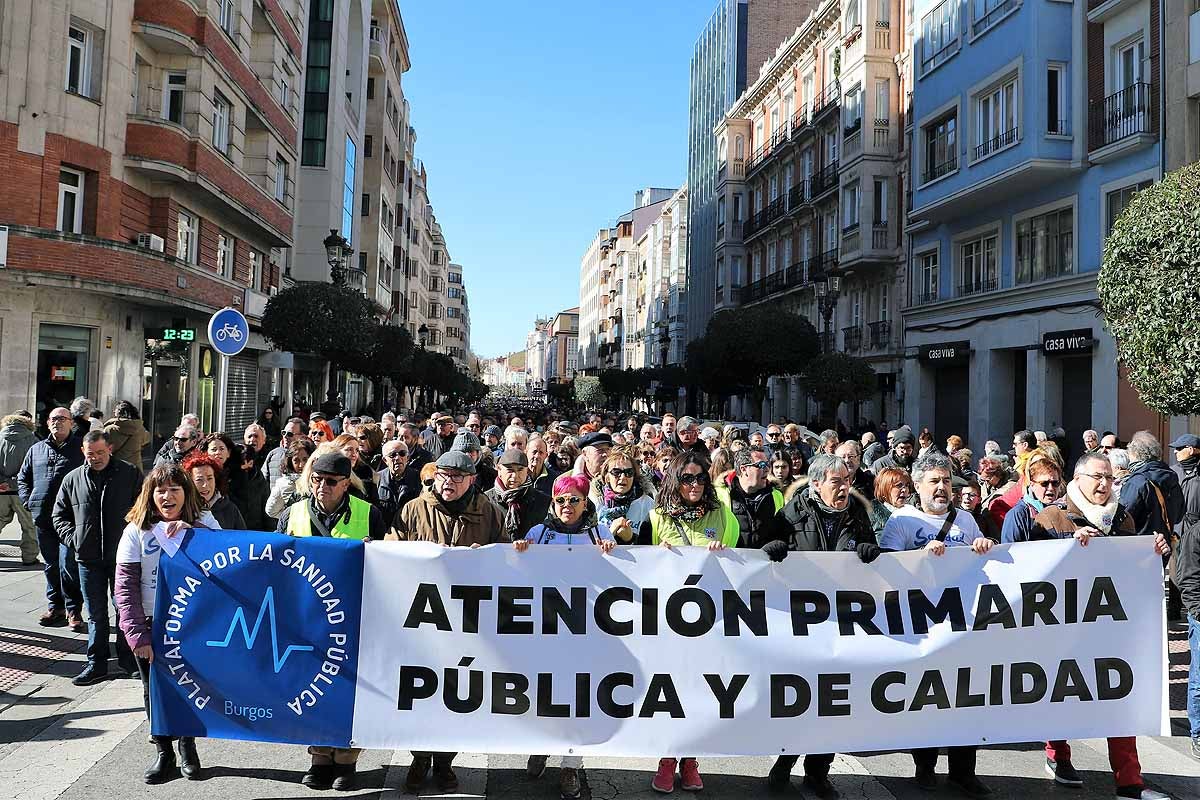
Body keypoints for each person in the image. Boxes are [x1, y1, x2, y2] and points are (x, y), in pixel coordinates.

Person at [1023, 453, 1172, 800]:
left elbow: (1132, 567)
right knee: (1061, 693)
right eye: (1097, 477)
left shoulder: (1122, 517)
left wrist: (1154, 552)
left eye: (1110, 478)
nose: (1105, 484)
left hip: (1109, 629)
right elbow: (1030, 570)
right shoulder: (1053, 516)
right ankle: (1057, 754)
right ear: (1078, 478)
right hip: (1062, 628)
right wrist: (1068, 547)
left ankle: (1130, 783)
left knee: (1118, 699)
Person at [762, 453, 878, 797]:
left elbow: (871, 553)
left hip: (841, 622)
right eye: (836, 482)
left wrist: (872, 550)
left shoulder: (857, 514)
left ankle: (818, 771)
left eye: (847, 481)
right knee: (800, 700)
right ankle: (784, 763)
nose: (844, 488)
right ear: (816, 484)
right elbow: (761, 557)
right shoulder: (792, 513)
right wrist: (773, 548)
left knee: (832, 702)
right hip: (802, 622)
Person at [392, 450, 507, 793]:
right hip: (422, 621)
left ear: (472, 480)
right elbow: (392, 552)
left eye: (457, 477)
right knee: (420, 691)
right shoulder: (414, 509)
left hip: (468, 623)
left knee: (457, 693)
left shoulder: (490, 512)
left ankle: (444, 762)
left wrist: (484, 560)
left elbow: (506, 561)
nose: (448, 482)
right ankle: (419, 757)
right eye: (443, 475)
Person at [879, 453, 993, 796]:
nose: (942, 488)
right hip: (920, 627)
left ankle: (963, 770)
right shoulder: (901, 521)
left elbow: (987, 568)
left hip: (962, 626)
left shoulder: (967, 521)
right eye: (934, 482)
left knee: (965, 698)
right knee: (926, 698)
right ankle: (924, 766)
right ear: (917, 486)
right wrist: (918, 557)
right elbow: (885, 568)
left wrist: (985, 547)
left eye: (946, 481)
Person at [275, 451, 383, 790]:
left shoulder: (369, 515)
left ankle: (346, 759)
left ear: (345, 484)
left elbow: (391, 561)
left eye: (331, 481)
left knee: (349, 689)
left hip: (353, 617)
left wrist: (374, 551)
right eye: (317, 479)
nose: (322, 486)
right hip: (306, 618)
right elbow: (274, 562)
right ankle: (319, 756)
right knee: (310, 687)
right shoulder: (292, 514)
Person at [114, 463, 220, 783]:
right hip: (150, 623)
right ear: (151, 494)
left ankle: (188, 745)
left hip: (192, 623)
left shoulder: (204, 522)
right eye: (160, 489)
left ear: (185, 493)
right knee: (155, 691)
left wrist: (192, 532)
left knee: (190, 686)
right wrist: (137, 636)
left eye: (175, 488)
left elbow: (227, 557)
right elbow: (125, 587)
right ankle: (164, 751)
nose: (167, 495)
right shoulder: (136, 530)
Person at [645, 451, 730, 794]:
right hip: (666, 621)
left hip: (706, 620)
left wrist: (722, 551)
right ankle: (667, 759)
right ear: (675, 480)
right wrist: (656, 553)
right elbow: (637, 566)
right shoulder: (656, 517)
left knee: (697, 692)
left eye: (699, 478)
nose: (694, 485)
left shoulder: (720, 514)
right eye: (686, 478)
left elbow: (738, 559)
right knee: (668, 693)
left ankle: (691, 760)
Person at [51, 431, 141, 685]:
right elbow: (59, 516)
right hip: (88, 559)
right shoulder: (73, 479)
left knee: (124, 610)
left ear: (110, 448)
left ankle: (128, 660)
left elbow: (143, 509)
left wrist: (132, 540)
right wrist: (75, 539)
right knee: (96, 614)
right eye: (91, 454)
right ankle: (96, 664)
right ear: (83, 452)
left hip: (123, 557)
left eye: (101, 453)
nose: (96, 458)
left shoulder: (129, 473)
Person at [18, 406, 85, 629]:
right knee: (50, 564)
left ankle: (74, 610)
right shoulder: (36, 449)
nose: (57, 422)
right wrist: (29, 500)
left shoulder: (81, 449)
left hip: (70, 518)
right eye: (53, 419)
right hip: (43, 516)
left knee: (68, 564)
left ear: (71, 423)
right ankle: (55, 606)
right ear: (47, 424)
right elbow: (23, 478)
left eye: (62, 419)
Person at [1121, 431, 1185, 620]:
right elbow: (1180, 513)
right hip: (1164, 544)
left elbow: (1125, 517)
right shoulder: (1172, 476)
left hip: (1138, 546)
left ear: (1136, 454)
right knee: (1152, 594)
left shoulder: (1138, 480)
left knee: (1133, 598)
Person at [1174, 436, 1200, 760]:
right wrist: (1196, 608)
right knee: (1198, 676)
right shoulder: (1195, 533)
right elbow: (1188, 576)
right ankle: (1197, 732)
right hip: (1199, 606)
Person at [715, 448, 785, 548]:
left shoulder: (776, 495)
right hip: (730, 560)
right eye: (761, 465)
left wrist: (779, 543)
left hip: (766, 561)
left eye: (767, 464)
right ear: (744, 469)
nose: (766, 469)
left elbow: (784, 531)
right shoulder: (719, 495)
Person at [485, 449, 551, 541]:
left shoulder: (543, 502)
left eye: (520, 470)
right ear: (499, 470)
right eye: (510, 470)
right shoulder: (486, 500)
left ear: (527, 471)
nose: (515, 476)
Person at [0, 410, 39, 565]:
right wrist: (13, 482)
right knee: (29, 526)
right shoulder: (33, 440)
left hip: (1, 490)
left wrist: (3, 482)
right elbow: (34, 468)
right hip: (23, 491)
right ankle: (29, 558)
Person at [593, 449, 654, 545]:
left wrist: (630, 538)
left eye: (629, 472)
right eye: (616, 472)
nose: (623, 477)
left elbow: (651, 544)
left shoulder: (647, 503)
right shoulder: (596, 502)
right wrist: (611, 531)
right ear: (607, 477)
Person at [184, 452, 246, 530]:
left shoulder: (230, 509)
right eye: (199, 480)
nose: (205, 485)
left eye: (210, 478)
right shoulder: (183, 509)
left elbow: (242, 538)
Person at [266, 439, 316, 519]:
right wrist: (293, 517)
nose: (301, 465)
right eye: (296, 460)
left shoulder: (319, 479)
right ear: (290, 461)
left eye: (305, 459)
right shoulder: (284, 483)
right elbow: (271, 511)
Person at [377, 438, 420, 525]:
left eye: (402, 454)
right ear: (385, 460)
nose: (398, 458)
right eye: (392, 455)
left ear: (407, 458)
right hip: (385, 531)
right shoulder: (376, 479)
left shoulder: (418, 478)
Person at [102, 400, 150, 474]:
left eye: (115, 410)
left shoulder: (110, 429)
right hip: (135, 467)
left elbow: (103, 447)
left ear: (118, 412)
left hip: (115, 466)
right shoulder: (139, 428)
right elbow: (146, 440)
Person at [332, 433, 380, 507]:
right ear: (337, 451)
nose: (354, 454)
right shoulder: (330, 474)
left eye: (357, 450)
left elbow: (375, 506)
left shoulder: (366, 474)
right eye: (349, 449)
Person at [869, 467, 914, 536]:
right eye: (899, 485)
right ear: (885, 489)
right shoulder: (875, 516)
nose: (905, 490)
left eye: (907, 485)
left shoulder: (912, 511)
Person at [262, 417, 307, 486]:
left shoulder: (309, 456)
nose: (285, 436)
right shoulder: (273, 454)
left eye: (290, 434)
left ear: (303, 437)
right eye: (283, 432)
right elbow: (263, 481)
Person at [958, 478, 1000, 543]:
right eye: (964, 494)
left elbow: (995, 539)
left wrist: (986, 542)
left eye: (972, 495)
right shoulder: (953, 515)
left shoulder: (984, 520)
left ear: (979, 500)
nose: (967, 497)